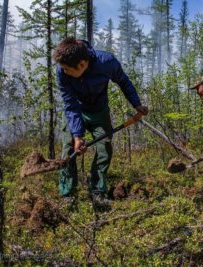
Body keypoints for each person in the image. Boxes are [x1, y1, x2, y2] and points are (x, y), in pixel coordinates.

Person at [53, 37, 148, 210]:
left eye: (67, 69)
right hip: (77, 112)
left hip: (99, 112)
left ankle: (97, 191)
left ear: (81, 65)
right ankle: (68, 194)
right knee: (68, 149)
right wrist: (77, 135)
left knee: (104, 149)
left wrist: (136, 103)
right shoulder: (62, 71)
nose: (64, 72)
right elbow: (70, 103)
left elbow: (124, 82)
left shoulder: (107, 62)